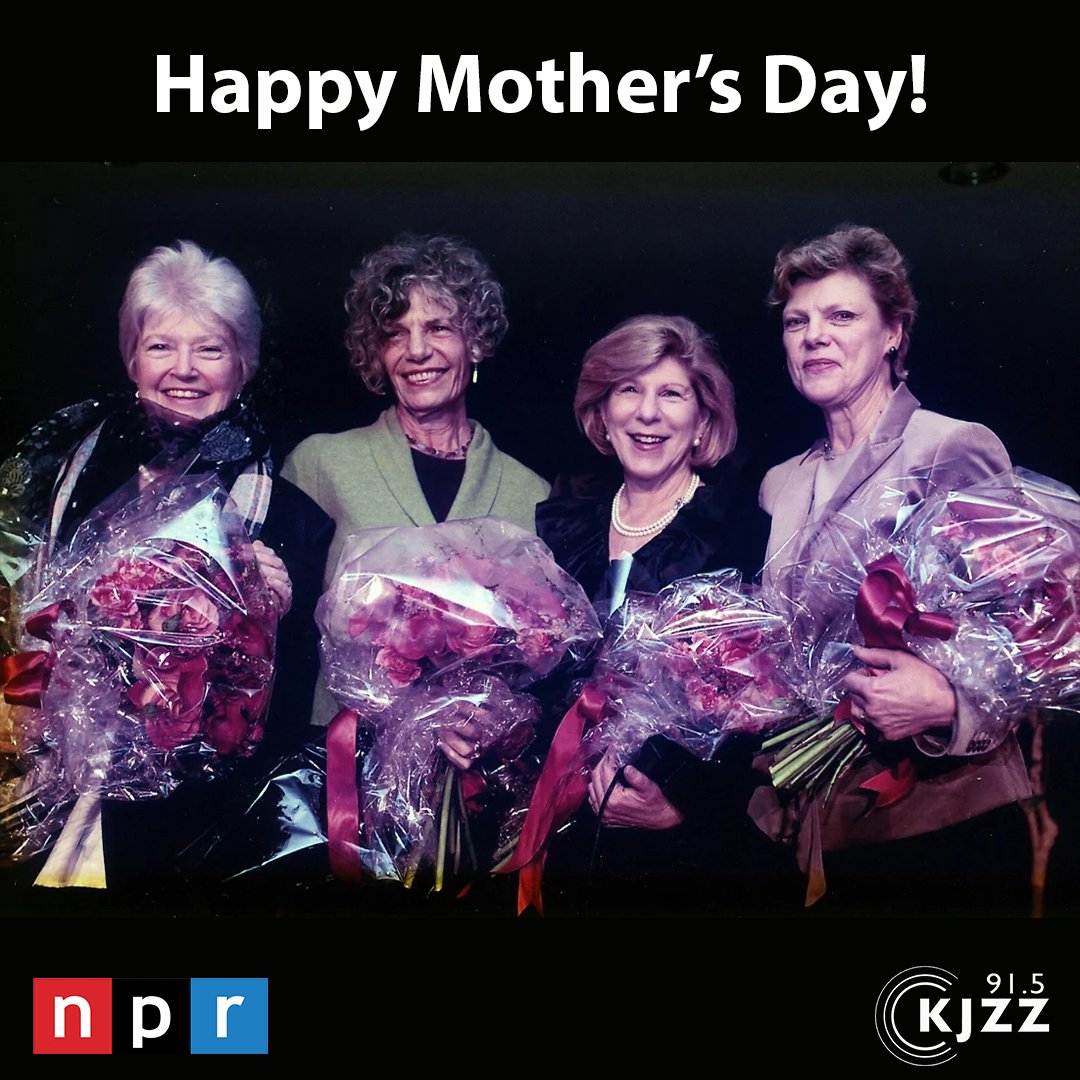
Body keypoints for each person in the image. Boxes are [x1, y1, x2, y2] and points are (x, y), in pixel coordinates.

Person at [0, 239, 332, 909]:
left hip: (203, 840)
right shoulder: (61, 486)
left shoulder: (295, 520)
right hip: (59, 811)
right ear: (132, 359)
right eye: (160, 346)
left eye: (209, 349)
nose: (183, 370)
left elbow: (287, 713)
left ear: (243, 365)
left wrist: (274, 612)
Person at [753, 223, 1031, 913]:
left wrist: (949, 703)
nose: (814, 335)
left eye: (842, 315)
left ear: (893, 334)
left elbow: (1033, 626)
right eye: (797, 321)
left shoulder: (950, 446)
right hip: (814, 821)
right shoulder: (779, 483)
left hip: (939, 822)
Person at [531, 314, 790, 914]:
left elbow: (767, 709)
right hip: (562, 844)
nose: (648, 413)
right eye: (629, 390)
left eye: (671, 393)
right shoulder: (563, 523)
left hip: (682, 859)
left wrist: (683, 808)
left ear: (703, 421)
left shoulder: (740, 535)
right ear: (603, 412)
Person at [282, 234, 550, 731]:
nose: (418, 351)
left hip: (472, 780)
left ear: (475, 341)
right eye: (395, 333)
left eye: (438, 327)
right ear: (376, 352)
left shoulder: (532, 493)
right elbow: (280, 639)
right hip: (339, 770)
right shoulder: (322, 463)